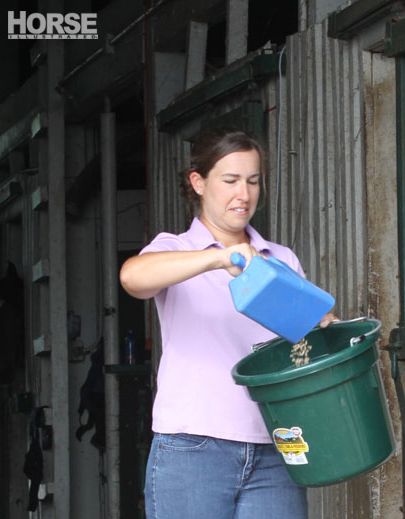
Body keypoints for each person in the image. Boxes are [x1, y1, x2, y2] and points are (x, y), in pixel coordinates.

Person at [120, 127, 335, 519]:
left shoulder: (280, 259)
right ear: (198, 182)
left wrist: (320, 325)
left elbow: (299, 348)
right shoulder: (176, 250)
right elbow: (133, 279)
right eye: (231, 180)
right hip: (193, 446)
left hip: (276, 446)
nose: (244, 194)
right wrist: (219, 257)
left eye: (253, 181)